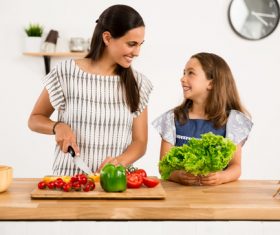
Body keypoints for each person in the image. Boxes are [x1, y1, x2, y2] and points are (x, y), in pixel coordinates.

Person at [28, 4, 152, 176]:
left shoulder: (138, 83)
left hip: (114, 185)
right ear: (107, 38)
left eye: (140, 45)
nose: (137, 52)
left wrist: (119, 162)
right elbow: (34, 119)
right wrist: (58, 126)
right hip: (69, 183)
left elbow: (140, 142)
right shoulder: (66, 72)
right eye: (131, 44)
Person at [152, 52, 252, 186]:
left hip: (217, 198)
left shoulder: (233, 121)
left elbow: (236, 167)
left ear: (211, 83)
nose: (182, 78)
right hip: (180, 197)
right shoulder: (172, 118)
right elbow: (164, 167)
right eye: (184, 73)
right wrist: (178, 176)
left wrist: (221, 177)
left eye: (190, 73)